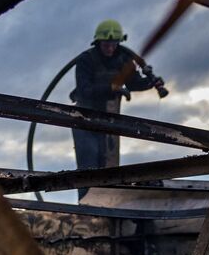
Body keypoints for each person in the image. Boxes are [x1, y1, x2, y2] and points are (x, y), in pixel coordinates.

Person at [69, 19, 165, 172]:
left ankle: (108, 187)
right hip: (85, 119)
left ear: (119, 43)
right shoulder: (86, 59)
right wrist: (112, 89)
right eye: (106, 45)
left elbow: (134, 83)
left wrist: (150, 83)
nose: (110, 48)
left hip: (110, 120)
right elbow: (84, 90)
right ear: (98, 42)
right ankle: (86, 187)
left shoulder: (124, 59)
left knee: (109, 167)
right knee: (89, 166)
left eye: (113, 44)